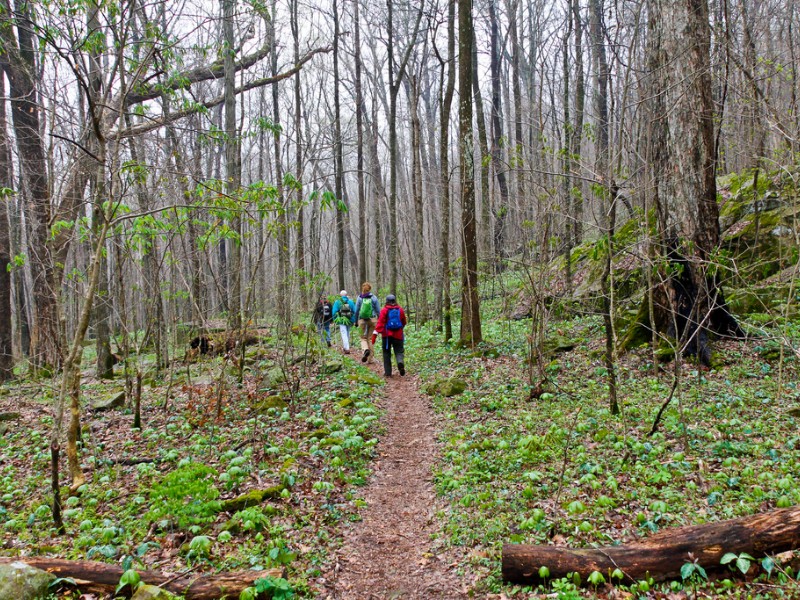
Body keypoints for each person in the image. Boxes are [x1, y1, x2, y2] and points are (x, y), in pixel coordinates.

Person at [373, 294, 407, 376]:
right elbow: (404, 321)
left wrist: (375, 334)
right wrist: (400, 328)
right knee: (399, 351)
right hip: (398, 335)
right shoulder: (400, 310)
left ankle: (388, 373)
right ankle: (400, 362)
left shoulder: (384, 310)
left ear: (387, 301)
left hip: (387, 336)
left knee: (386, 353)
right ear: (395, 301)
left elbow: (380, 323)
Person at [354, 282, 380, 363]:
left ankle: (365, 350)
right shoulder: (374, 297)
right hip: (372, 320)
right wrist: (379, 320)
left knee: (363, 338)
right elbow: (378, 310)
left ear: (363, 288)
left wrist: (356, 321)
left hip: (362, 320)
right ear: (370, 289)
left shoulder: (359, 298)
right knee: (370, 338)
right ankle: (370, 359)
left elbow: (357, 311)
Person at [332, 290, 356, 354]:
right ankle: (346, 346)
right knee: (347, 332)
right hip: (349, 320)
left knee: (343, 333)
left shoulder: (337, 302)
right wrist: (353, 319)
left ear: (340, 295)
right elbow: (354, 311)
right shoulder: (350, 302)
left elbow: (334, 312)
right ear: (346, 295)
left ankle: (346, 348)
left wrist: (335, 319)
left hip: (341, 320)